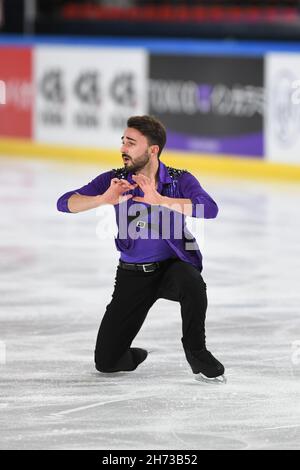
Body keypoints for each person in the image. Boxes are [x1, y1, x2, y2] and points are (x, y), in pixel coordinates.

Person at [57, 115, 225, 383]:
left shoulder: (178, 180)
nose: (123, 148)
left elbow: (210, 208)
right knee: (107, 362)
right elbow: (64, 202)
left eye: (131, 143)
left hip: (171, 268)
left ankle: (197, 352)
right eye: (123, 141)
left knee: (192, 281)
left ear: (152, 149)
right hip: (133, 275)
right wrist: (103, 198)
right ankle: (135, 355)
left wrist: (161, 200)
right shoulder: (114, 180)